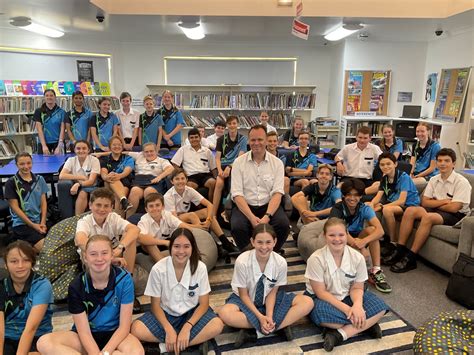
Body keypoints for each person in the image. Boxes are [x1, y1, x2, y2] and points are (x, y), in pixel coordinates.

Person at [37, 235, 144, 355]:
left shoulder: (124, 279)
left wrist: (106, 352)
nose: (99, 258)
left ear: (112, 255)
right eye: (93, 254)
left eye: (104, 253)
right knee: (44, 342)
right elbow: (84, 332)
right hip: (85, 336)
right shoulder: (76, 286)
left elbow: (124, 327)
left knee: (137, 352)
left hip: (115, 334)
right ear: (85, 257)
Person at [218, 224, 313, 348]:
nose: (264, 247)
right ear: (252, 242)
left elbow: (273, 293)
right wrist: (260, 317)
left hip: (270, 299)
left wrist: (268, 315)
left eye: (268, 242)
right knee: (225, 313)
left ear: (275, 242)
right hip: (245, 299)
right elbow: (243, 295)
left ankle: (256, 333)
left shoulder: (280, 263)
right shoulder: (242, 261)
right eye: (259, 242)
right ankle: (279, 326)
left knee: (307, 302)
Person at [131, 228, 224, 354]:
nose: (181, 251)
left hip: (192, 313)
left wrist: (188, 326)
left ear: (192, 248)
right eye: (176, 246)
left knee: (217, 325)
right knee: (136, 329)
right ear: (170, 248)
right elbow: (155, 306)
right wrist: (168, 329)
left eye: (186, 246)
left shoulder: (200, 267)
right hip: (166, 314)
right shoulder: (158, 269)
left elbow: (203, 304)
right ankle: (193, 343)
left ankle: (163, 347)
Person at [304, 218, 388, 352]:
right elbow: (321, 292)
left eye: (341, 235)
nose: (337, 239)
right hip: (323, 298)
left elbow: (357, 287)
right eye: (332, 235)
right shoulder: (316, 259)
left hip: (349, 295)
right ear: (325, 236)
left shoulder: (357, 257)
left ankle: (339, 335)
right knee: (323, 316)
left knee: (381, 308)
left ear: (347, 235)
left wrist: (357, 306)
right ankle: (365, 324)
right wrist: (348, 310)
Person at [385, 148, 471, 273]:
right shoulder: (433, 179)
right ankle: (400, 249)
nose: (442, 163)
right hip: (435, 208)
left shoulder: (462, 182)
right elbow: (425, 202)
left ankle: (411, 257)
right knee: (410, 210)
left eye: (446, 161)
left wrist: (435, 203)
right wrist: (443, 201)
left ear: (453, 163)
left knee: (428, 217)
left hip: (455, 215)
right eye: (440, 160)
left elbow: (454, 207)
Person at [230, 124, 290, 252]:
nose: (256, 143)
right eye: (253, 140)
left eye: (260, 139)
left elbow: (277, 194)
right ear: (248, 141)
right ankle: (249, 254)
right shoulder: (238, 163)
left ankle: (270, 253)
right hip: (245, 206)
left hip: (268, 206)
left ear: (266, 141)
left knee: (283, 225)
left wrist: (267, 216)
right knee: (237, 227)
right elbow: (237, 194)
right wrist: (251, 217)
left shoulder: (277, 163)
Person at [329, 179, 391, 293]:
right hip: (340, 239)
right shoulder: (337, 209)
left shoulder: (364, 208)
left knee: (373, 230)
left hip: (358, 237)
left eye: (356, 195)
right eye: (349, 195)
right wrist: (360, 247)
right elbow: (339, 232)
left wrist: (363, 242)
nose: (352, 198)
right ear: (343, 195)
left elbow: (380, 231)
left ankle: (376, 271)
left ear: (361, 196)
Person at [164, 168, 239, 258]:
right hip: (171, 223)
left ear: (186, 180)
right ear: (172, 181)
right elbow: (174, 221)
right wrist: (196, 226)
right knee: (192, 215)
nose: (180, 181)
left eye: (182, 178)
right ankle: (214, 245)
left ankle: (225, 242)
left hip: (183, 217)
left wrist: (208, 220)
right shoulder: (168, 196)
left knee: (207, 212)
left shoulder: (189, 190)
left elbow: (209, 205)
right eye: (177, 179)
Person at [0, 241, 53, 354]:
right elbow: (0, 330)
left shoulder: (41, 284)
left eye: (26, 260)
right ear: (5, 264)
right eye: (14, 261)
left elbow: (31, 328)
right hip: (8, 338)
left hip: (37, 336)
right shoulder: (1, 286)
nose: (20, 265)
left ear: (32, 262)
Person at [75, 188, 140, 278]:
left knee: (131, 237)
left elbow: (135, 230)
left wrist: (120, 248)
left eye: (106, 206)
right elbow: (80, 241)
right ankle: (93, 279)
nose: (102, 209)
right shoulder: (84, 221)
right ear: (90, 205)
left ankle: (128, 277)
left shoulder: (113, 217)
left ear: (111, 208)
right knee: (84, 250)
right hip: (95, 259)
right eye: (98, 205)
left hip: (114, 253)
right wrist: (108, 257)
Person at [367, 152, 420, 256]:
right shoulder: (384, 179)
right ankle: (380, 237)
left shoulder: (404, 177)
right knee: (367, 205)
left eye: (388, 164)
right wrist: (371, 205)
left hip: (409, 205)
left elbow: (402, 201)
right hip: (393, 203)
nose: (385, 167)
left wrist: (381, 207)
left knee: (387, 210)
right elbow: (378, 196)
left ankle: (393, 242)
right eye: (382, 165)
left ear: (395, 164)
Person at [5, 152, 48, 252]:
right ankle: (20, 244)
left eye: (29, 163)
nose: (26, 166)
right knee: (44, 249)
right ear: (16, 165)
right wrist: (33, 226)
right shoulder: (11, 183)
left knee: (54, 244)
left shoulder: (39, 179)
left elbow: (43, 203)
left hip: (39, 222)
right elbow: (15, 208)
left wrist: (43, 222)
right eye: (22, 164)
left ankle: (23, 245)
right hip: (22, 223)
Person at [137, 193, 192, 263]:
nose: (155, 208)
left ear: (163, 207)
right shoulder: (144, 220)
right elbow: (140, 238)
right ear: (146, 209)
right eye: (151, 206)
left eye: (157, 205)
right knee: (149, 243)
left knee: (181, 234)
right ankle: (163, 266)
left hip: (164, 244)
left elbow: (182, 225)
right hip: (149, 248)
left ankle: (187, 259)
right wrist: (165, 242)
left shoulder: (167, 214)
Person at [211, 115, 248, 218]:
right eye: (230, 124)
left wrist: (230, 167)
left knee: (234, 183)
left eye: (234, 123)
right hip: (222, 166)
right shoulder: (221, 139)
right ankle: (213, 214)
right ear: (227, 125)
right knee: (219, 182)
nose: (232, 125)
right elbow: (217, 158)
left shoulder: (243, 139)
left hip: (236, 166)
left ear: (238, 125)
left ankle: (229, 211)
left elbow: (240, 158)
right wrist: (219, 171)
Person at [125, 142, 174, 218]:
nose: (149, 153)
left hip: (154, 182)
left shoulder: (162, 161)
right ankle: (128, 219)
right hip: (139, 181)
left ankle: (152, 218)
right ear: (143, 152)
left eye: (151, 151)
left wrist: (159, 177)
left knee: (148, 191)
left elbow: (171, 168)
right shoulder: (139, 156)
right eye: (146, 152)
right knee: (134, 191)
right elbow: (122, 152)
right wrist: (102, 154)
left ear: (156, 151)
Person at [171, 127, 217, 201]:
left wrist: (216, 177)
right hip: (191, 176)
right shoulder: (183, 149)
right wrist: (181, 174)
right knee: (189, 186)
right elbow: (175, 164)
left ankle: (211, 205)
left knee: (213, 183)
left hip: (205, 175)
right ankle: (198, 207)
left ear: (200, 138)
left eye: (196, 137)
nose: (194, 139)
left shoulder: (207, 151)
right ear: (188, 139)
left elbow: (213, 167)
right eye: (191, 138)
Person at [335, 126, 383, 192]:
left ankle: (361, 194)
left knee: (379, 185)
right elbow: (337, 157)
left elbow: (384, 159)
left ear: (370, 139)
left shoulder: (374, 148)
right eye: (360, 137)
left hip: (366, 180)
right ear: (356, 137)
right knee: (338, 187)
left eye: (365, 138)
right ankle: (359, 194)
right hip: (349, 178)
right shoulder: (347, 148)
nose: (362, 140)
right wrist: (338, 163)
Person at [59, 140, 101, 215]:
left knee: (83, 193)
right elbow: (62, 175)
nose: (81, 151)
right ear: (74, 150)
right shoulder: (71, 160)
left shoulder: (94, 160)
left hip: (91, 186)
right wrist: (81, 177)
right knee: (82, 193)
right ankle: (77, 222)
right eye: (78, 148)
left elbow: (91, 181)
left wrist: (78, 184)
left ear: (88, 150)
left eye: (84, 148)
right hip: (77, 186)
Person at [99, 136, 135, 213]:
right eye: (114, 145)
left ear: (122, 146)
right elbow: (103, 172)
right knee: (111, 177)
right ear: (110, 147)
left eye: (119, 145)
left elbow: (127, 171)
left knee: (117, 196)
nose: (117, 147)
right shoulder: (104, 159)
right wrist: (106, 177)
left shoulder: (128, 158)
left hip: (124, 182)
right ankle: (124, 200)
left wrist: (119, 176)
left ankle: (118, 222)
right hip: (108, 183)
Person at [33, 89, 66, 155]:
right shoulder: (38, 111)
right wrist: (44, 146)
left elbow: (62, 129)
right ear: (44, 97)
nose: (49, 97)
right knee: (43, 164)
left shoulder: (62, 112)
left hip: (57, 143)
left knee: (61, 164)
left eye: (51, 95)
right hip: (43, 143)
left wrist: (59, 146)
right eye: (47, 95)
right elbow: (39, 130)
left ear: (55, 97)